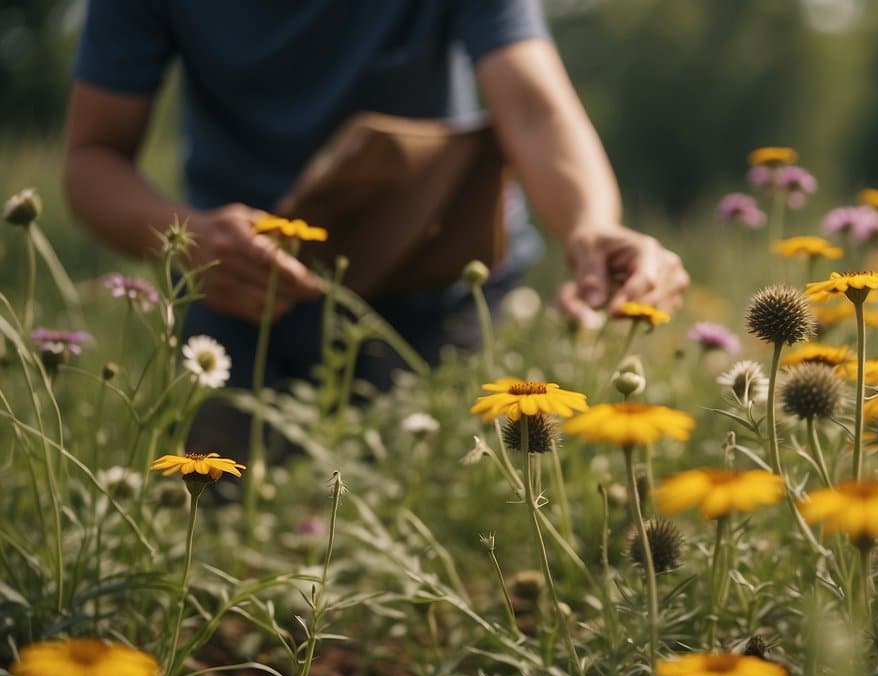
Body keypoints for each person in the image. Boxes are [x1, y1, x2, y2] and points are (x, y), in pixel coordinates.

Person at [61, 1, 690, 392]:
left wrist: (591, 229)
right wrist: (190, 238)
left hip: (443, 296)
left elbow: (531, 111)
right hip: (241, 299)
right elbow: (93, 158)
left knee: (472, 552)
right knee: (224, 554)